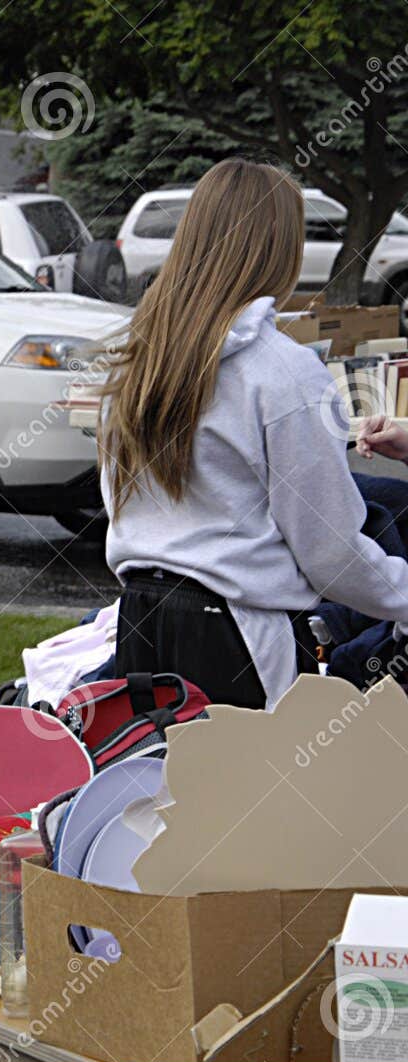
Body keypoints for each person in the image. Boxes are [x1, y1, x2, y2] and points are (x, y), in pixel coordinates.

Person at [100, 157, 408, 709]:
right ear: (281, 250)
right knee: (251, 794)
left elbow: (120, 500)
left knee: (160, 790)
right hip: (236, 636)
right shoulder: (283, 371)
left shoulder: (140, 358)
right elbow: (330, 553)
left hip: (139, 618)